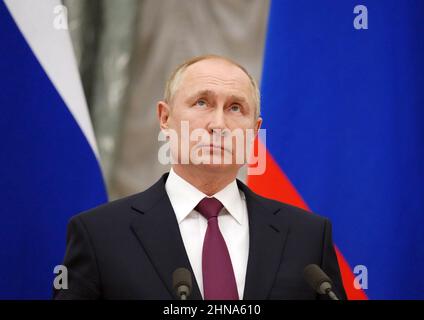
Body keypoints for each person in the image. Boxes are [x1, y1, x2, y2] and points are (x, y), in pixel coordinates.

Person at [53, 55, 346, 300]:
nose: (218, 124)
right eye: (202, 103)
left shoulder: (307, 237)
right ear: (165, 118)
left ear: (254, 131)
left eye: (235, 108)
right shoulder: (99, 235)